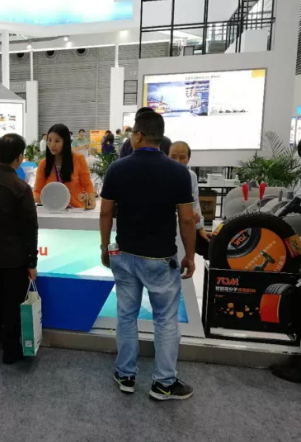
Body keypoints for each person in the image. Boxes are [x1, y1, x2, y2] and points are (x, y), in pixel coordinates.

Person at [99, 111, 196, 401]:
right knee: (165, 320)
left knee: (126, 316)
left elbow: (106, 212)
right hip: (160, 258)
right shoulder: (179, 172)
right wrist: (190, 255)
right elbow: (187, 219)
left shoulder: (117, 169)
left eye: (132, 134)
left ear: (139, 136)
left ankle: (126, 375)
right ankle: (164, 383)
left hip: (125, 254)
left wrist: (104, 247)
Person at [0, 133, 38, 365]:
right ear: (19, 157)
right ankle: (11, 350)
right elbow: (30, 227)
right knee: (13, 302)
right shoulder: (21, 187)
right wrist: (32, 262)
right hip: (15, 255)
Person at [34, 124, 96, 209]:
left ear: (65, 142)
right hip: (53, 210)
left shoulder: (78, 159)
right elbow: (38, 191)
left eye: (57, 141)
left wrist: (92, 202)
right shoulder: (43, 164)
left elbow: (87, 184)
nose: (52, 145)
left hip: (76, 209)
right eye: (49, 140)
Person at [169, 141, 211, 258]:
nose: (177, 161)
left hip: (186, 225)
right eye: (173, 157)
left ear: (188, 159)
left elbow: (195, 202)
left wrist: (200, 228)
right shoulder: (162, 174)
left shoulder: (191, 176)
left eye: (182, 157)